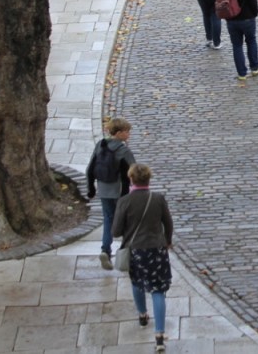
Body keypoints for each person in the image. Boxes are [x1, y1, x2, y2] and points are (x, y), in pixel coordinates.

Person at [112, 163, 173, 354]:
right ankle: (159, 335)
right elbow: (168, 223)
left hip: (136, 250)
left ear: (131, 179)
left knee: (137, 283)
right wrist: (167, 241)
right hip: (156, 249)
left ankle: (142, 315)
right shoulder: (158, 198)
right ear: (149, 179)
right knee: (158, 289)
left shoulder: (124, 202)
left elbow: (115, 231)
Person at [85, 117, 137, 270]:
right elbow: (134, 170)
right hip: (121, 192)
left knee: (108, 219)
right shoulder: (123, 150)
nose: (129, 134)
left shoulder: (100, 145)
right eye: (127, 132)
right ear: (119, 133)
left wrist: (91, 189)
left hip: (103, 190)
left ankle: (105, 250)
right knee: (127, 222)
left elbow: (90, 168)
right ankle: (126, 253)